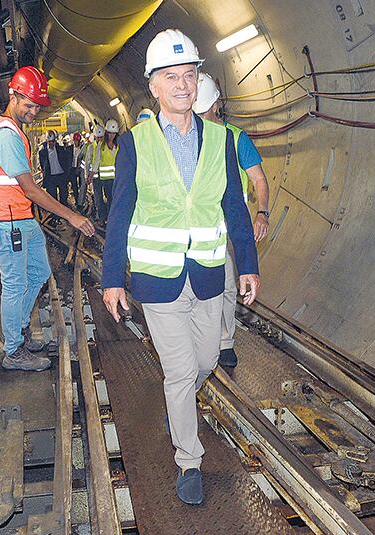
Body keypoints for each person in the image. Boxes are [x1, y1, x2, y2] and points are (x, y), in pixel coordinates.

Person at [101, 29, 259, 506]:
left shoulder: (220, 140)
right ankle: (189, 459)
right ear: (154, 86)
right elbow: (120, 210)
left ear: (198, 81)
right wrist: (112, 279)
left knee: (207, 362)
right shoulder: (135, 142)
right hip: (157, 281)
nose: (182, 84)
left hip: (209, 275)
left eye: (188, 75)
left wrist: (247, 265)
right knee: (179, 370)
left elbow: (234, 205)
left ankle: (181, 404)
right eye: (171, 77)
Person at [0, 66, 95, 372]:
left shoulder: (14, 131)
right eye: (29, 105)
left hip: (22, 220)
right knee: (15, 284)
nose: (34, 111)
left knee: (40, 273)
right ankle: (13, 350)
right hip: (7, 225)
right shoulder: (5, 135)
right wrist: (71, 215)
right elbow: (30, 188)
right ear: (14, 96)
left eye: (37, 106)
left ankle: (17, 331)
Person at [193, 72, 270, 367]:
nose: (198, 118)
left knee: (225, 284)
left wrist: (262, 212)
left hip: (225, 227)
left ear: (215, 106)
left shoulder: (236, 138)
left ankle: (224, 341)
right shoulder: (187, 137)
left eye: (203, 112)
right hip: (196, 225)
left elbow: (259, 180)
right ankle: (203, 336)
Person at [88, 119, 120, 224]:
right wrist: (91, 175)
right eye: (110, 133)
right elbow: (96, 160)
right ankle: (105, 218)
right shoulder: (101, 146)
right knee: (106, 198)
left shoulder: (119, 145)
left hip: (116, 178)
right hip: (105, 178)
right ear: (106, 133)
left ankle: (112, 218)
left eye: (114, 133)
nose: (112, 136)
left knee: (114, 199)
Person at [38, 130, 73, 221]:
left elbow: (66, 161)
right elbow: (43, 165)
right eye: (49, 142)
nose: (51, 144)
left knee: (63, 196)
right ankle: (55, 217)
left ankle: (65, 215)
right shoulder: (43, 152)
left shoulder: (61, 149)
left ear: (55, 141)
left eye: (53, 142)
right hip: (51, 178)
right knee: (52, 199)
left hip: (61, 176)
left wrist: (67, 174)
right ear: (47, 141)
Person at [70, 131, 86, 209]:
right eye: (75, 141)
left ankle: (80, 201)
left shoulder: (83, 148)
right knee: (74, 185)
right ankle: (77, 200)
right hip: (72, 169)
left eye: (77, 141)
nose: (76, 142)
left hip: (80, 169)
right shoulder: (70, 148)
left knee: (81, 184)